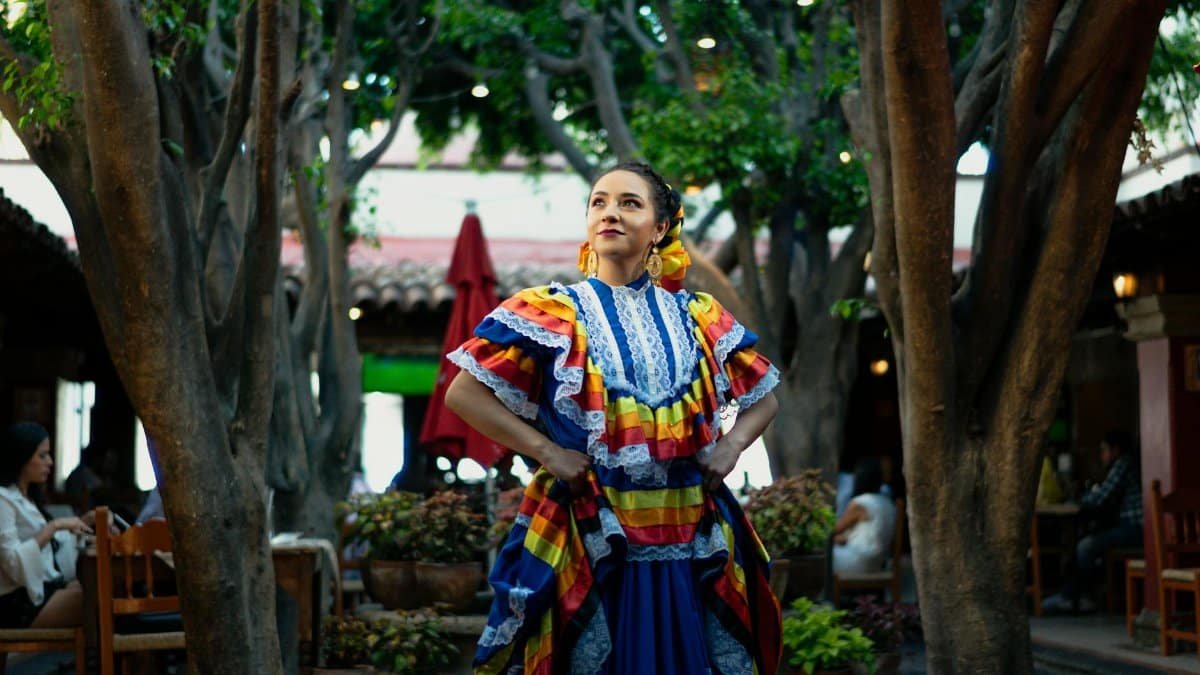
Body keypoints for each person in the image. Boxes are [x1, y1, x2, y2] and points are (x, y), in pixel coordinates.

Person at [445, 161, 782, 674]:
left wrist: (732, 447)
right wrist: (547, 452)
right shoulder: (551, 312)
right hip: (589, 530)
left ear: (660, 228)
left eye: (630, 203)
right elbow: (464, 393)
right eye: (599, 202)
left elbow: (766, 397)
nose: (610, 213)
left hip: (686, 533)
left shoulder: (700, 316)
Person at [0, 422, 93, 629]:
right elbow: (12, 561)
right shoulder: (2, 500)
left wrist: (83, 526)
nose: (50, 462)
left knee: (95, 585)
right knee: (91, 596)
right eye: (42, 456)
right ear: (22, 459)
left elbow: (53, 553)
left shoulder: (28, 499)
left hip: (37, 591)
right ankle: (103, 659)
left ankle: (104, 659)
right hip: (15, 601)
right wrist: (54, 527)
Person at [1042, 430, 1142, 613]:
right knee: (1087, 539)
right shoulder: (1124, 465)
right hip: (1130, 526)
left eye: (1104, 450)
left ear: (1116, 451)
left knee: (1086, 546)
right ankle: (1074, 594)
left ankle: (1081, 597)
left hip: (1136, 528)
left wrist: (1078, 499)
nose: (1102, 456)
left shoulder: (1123, 464)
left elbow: (1100, 497)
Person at [833, 457, 898, 575]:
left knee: (818, 557)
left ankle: (824, 593)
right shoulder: (887, 502)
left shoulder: (861, 503)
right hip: (877, 562)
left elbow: (833, 530)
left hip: (859, 561)